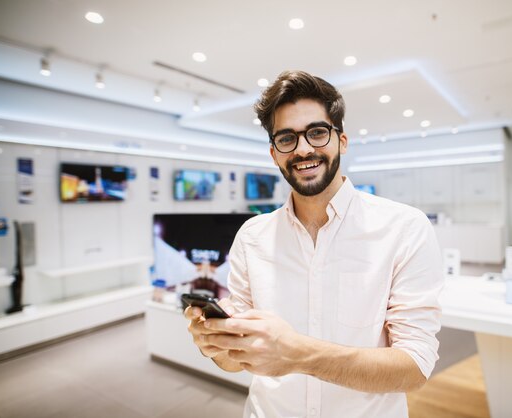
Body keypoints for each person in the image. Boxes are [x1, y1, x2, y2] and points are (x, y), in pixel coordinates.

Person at [185, 70, 443, 418]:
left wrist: (297, 353)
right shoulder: (252, 236)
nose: (304, 148)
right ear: (274, 153)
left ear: (342, 140)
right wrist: (214, 344)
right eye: (287, 138)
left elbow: (414, 367)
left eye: (317, 133)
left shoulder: (404, 228)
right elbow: (235, 363)